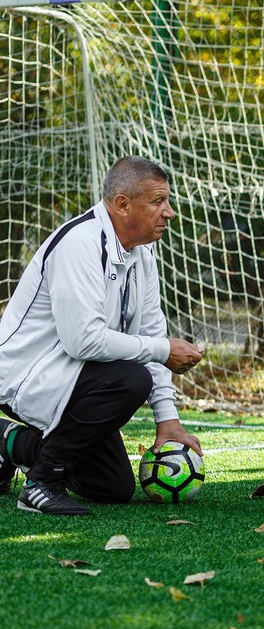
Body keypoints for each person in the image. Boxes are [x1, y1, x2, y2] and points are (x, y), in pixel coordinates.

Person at [0, 156, 204, 515]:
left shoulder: (143, 251)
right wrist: (162, 349)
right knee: (131, 378)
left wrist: (167, 417)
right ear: (122, 204)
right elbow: (84, 340)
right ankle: (41, 483)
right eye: (158, 201)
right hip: (22, 376)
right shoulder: (79, 243)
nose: (168, 212)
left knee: (112, 487)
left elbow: (151, 329)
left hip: (71, 377)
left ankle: (7, 444)